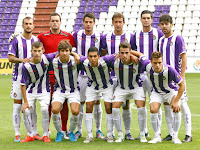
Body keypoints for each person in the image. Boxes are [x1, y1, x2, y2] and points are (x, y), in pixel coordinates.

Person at [132, 51, 184, 144]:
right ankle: (157, 136)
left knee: (176, 108)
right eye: (155, 63)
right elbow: (140, 55)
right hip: (157, 92)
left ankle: (175, 136)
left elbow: (182, 85)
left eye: (159, 62)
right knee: (153, 109)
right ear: (151, 62)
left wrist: (176, 101)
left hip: (170, 92)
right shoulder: (147, 65)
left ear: (162, 61)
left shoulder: (169, 70)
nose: (157, 65)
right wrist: (129, 53)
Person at [37, 12, 76, 138]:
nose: (54, 23)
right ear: (49, 22)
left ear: (60, 22)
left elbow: (73, 53)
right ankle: (46, 130)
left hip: (63, 75)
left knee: (64, 104)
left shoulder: (68, 36)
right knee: (49, 103)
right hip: (48, 75)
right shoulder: (42, 37)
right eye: (52, 20)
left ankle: (64, 130)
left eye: (57, 21)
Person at [101, 12, 135, 140]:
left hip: (125, 75)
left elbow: (133, 54)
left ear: (124, 22)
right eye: (116, 22)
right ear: (112, 22)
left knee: (126, 104)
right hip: (111, 76)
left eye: (120, 21)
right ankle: (111, 133)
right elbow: (104, 55)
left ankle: (127, 132)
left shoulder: (129, 37)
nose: (118, 24)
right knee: (109, 105)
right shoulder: (106, 37)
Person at [158, 14, 192, 142]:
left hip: (177, 78)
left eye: (167, 24)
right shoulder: (161, 40)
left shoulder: (177, 38)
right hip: (165, 79)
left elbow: (183, 57)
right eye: (162, 24)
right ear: (160, 25)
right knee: (168, 106)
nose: (164, 26)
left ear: (171, 25)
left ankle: (188, 134)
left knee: (182, 104)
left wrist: (182, 75)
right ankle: (172, 133)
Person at [8, 17, 41, 142]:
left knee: (32, 106)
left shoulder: (36, 40)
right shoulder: (16, 40)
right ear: (23, 25)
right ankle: (17, 133)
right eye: (26, 24)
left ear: (33, 26)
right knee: (17, 106)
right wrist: (22, 60)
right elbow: (10, 58)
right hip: (18, 77)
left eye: (30, 24)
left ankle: (34, 132)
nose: (28, 26)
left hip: (32, 79)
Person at [132, 10, 164, 139]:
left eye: (148, 18)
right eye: (144, 18)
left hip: (154, 74)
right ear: (141, 20)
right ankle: (144, 131)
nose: (146, 20)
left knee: (156, 101)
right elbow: (132, 51)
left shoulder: (158, 33)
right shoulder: (136, 35)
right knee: (141, 103)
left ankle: (158, 131)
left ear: (152, 20)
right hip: (140, 74)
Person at [73, 13, 104, 139]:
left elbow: (103, 53)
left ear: (94, 23)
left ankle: (98, 130)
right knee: (81, 103)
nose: (88, 24)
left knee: (97, 103)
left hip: (96, 76)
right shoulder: (77, 35)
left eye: (91, 22)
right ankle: (79, 130)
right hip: (81, 74)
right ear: (83, 22)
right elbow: (71, 49)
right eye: (86, 22)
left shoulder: (100, 36)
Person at [76, 47, 114, 143]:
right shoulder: (84, 62)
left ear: (99, 56)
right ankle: (89, 135)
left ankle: (109, 134)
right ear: (87, 57)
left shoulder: (106, 60)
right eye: (91, 56)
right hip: (92, 86)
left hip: (106, 86)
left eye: (95, 56)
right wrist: (74, 54)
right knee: (88, 106)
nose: (93, 59)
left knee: (108, 107)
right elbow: (77, 56)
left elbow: (118, 55)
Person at [111, 42, 147, 143]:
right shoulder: (114, 60)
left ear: (130, 52)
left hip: (136, 87)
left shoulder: (138, 61)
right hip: (121, 88)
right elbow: (101, 59)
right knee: (115, 108)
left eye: (127, 53)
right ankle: (120, 134)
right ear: (119, 53)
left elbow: (144, 57)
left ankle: (142, 134)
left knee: (141, 108)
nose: (125, 55)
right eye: (122, 53)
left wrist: (133, 54)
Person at [20, 41, 54, 142]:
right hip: (30, 92)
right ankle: (30, 135)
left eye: (39, 51)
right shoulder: (26, 66)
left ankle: (45, 135)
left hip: (44, 91)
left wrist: (74, 53)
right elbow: (23, 84)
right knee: (26, 111)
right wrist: (25, 102)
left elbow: (60, 52)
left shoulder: (47, 58)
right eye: (35, 51)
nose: (37, 53)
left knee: (44, 110)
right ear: (31, 51)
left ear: (43, 50)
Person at [51, 40, 80, 142]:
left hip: (73, 90)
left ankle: (70, 132)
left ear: (69, 51)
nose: (64, 53)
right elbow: (42, 56)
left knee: (76, 111)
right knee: (54, 109)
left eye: (66, 51)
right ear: (58, 52)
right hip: (60, 90)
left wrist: (75, 54)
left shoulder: (75, 60)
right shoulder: (54, 61)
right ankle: (60, 132)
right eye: (62, 51)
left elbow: (86, 59)